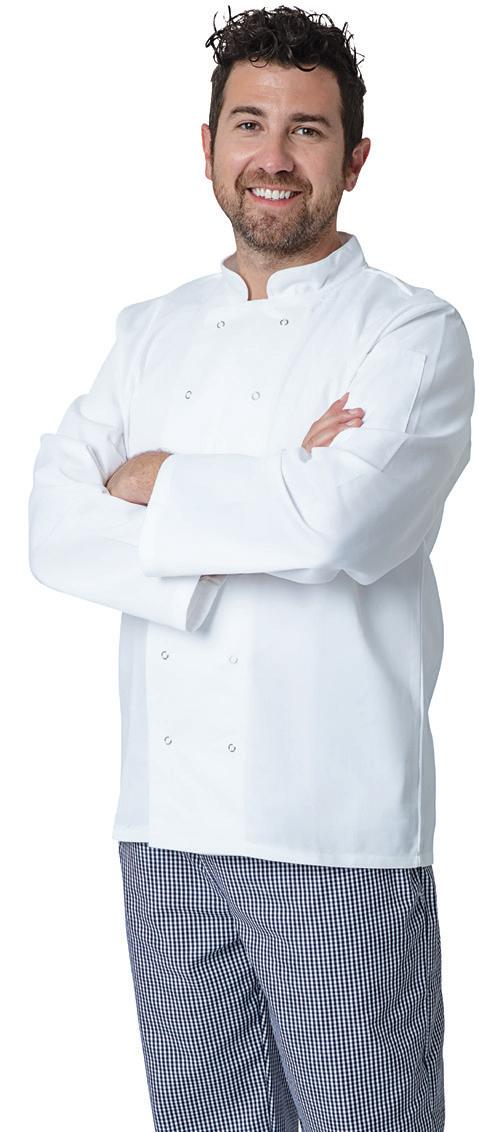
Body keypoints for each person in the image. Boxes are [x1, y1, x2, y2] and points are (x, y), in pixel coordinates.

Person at [28, 7, 474, 1131]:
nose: (272, 157)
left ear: (354, 159)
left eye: (306, 131)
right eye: (248, 125)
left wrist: (152, 478)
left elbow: (338, 524)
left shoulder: (410, 333)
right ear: (207, 146)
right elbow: (52, 529)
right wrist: (272, 485)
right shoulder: (147, 329)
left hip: (334, 828)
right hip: (163, 832)